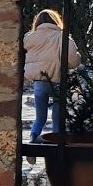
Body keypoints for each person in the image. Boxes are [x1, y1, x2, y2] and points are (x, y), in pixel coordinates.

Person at [22, 9, 81, 144]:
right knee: (57, 118)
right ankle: (56, 147)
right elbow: (73, 59)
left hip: (39, 81)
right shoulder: (62, 36)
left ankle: (34, 139)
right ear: (55, 21)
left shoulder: (31, 38)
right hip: (58, 80)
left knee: (40, 118)